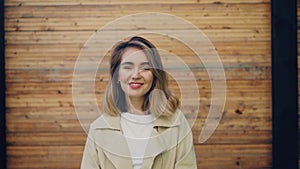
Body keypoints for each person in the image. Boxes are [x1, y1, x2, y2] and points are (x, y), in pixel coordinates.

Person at [81, 36, 197, 169]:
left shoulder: (177, 123)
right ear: (117, 75)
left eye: (145, 68)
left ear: (154, 75)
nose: (136, 74)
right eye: (127, 67)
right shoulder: (98, 129)